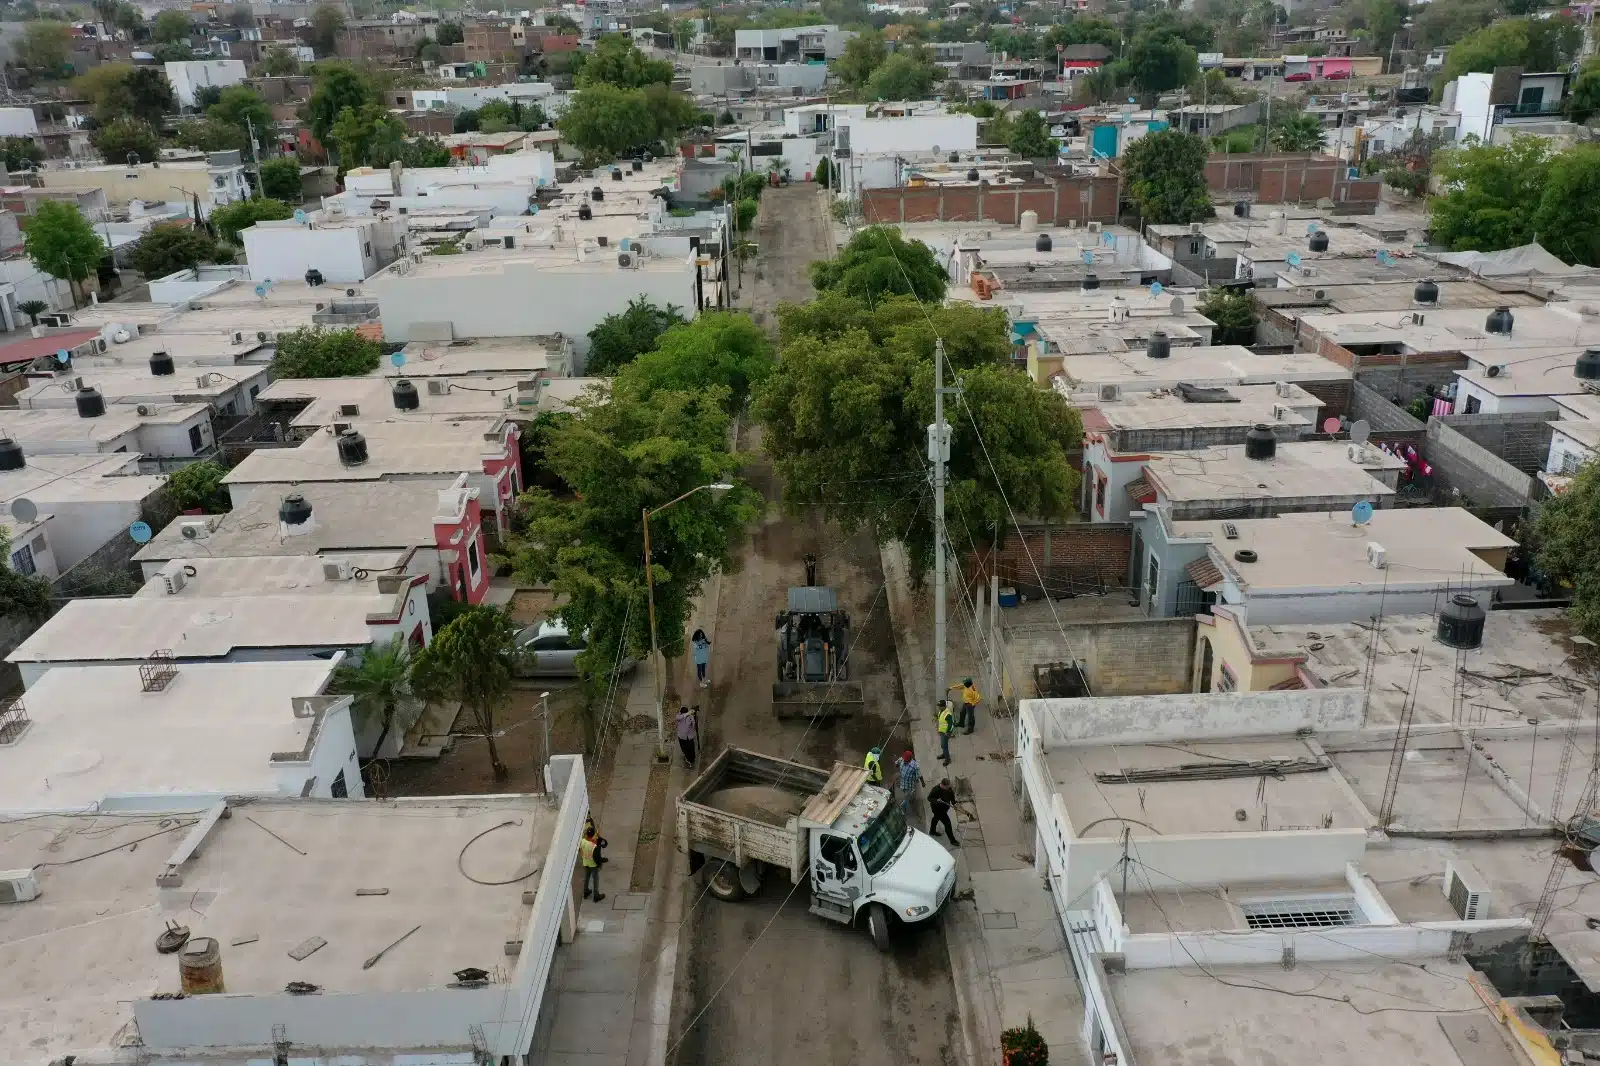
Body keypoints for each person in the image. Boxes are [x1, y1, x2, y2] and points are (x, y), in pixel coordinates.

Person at [928, 777, 957, 844]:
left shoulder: (949, 789)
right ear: (943, 785)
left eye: (949, 786)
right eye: (947, 786)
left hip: (945, 808)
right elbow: (929, 798)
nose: (948, 788)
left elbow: (951, 796)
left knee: (935, 818)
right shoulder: (936, 790)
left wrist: (954, 803)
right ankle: (952, 840)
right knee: (947, 824)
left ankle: (932, 831)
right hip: (938, 810)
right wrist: (936, 800)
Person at [581, 823, 605, 902]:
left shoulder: (583, 842)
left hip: (585, 862)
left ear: (587, 835)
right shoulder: (594, 846)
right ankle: (596, 895)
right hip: (593, 865)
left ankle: (586, 891)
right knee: (595, 879)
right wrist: (600, 865)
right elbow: (597, 858)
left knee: (587, 877)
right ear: (593, 835)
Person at [895, 748, 921, 815]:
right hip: (902, 783)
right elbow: (896, 763)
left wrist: (923, 783)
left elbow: (919, 775)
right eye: (904, 760)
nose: (905, 761)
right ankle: (910, 798)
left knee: (907, 797)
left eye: (906, 760)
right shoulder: (901, 759)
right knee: (906, 795)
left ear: (910, 758)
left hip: (909, 785)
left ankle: (903, 809)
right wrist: (897, 765)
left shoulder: (915, 766)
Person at [936, 699, 955, 765]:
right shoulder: (941, 711)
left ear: (943, 706)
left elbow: (951, 724)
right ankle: (944, 754)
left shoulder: (948, 714)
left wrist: (948, 732)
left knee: (944, 745)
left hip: (946, 732)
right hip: (942, 731)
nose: (938, 707)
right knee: (943, 745)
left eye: (940, 706)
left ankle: (947, 759)